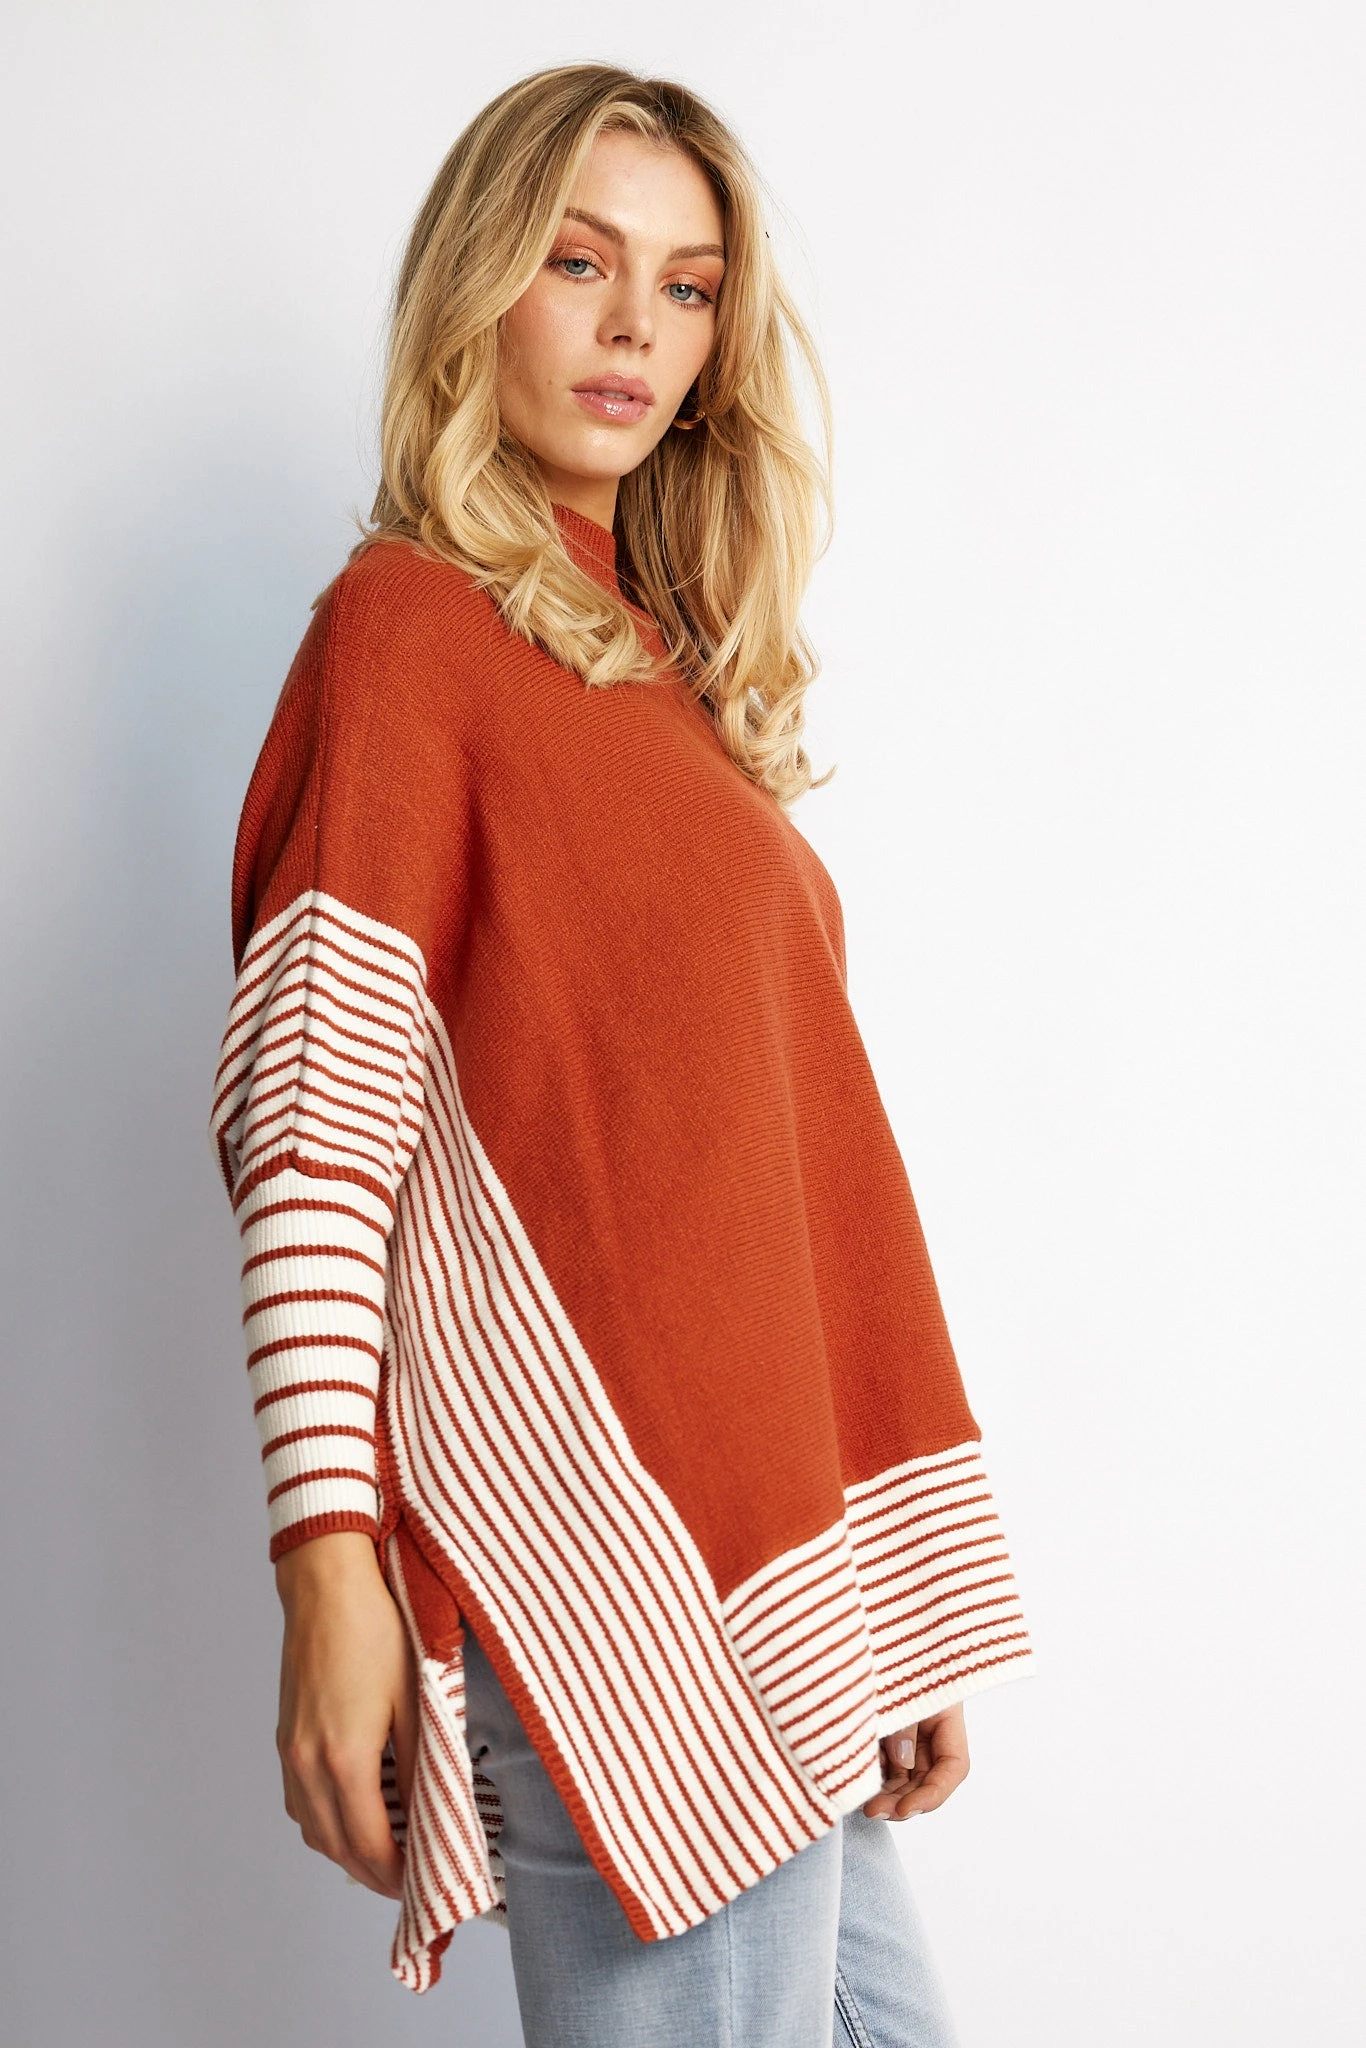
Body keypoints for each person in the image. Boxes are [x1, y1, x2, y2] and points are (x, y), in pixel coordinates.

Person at [208, 61, 1034, 2047]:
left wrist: (873, 1588)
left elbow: (764, 1179)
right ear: (477, 284)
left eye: (684, 286)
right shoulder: (406, 632)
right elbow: (312, 1136)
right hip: (612, 1587)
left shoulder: (653, 670)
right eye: (577, 263)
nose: (631, 328)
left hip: (767, 1590)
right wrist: (325, 1568)